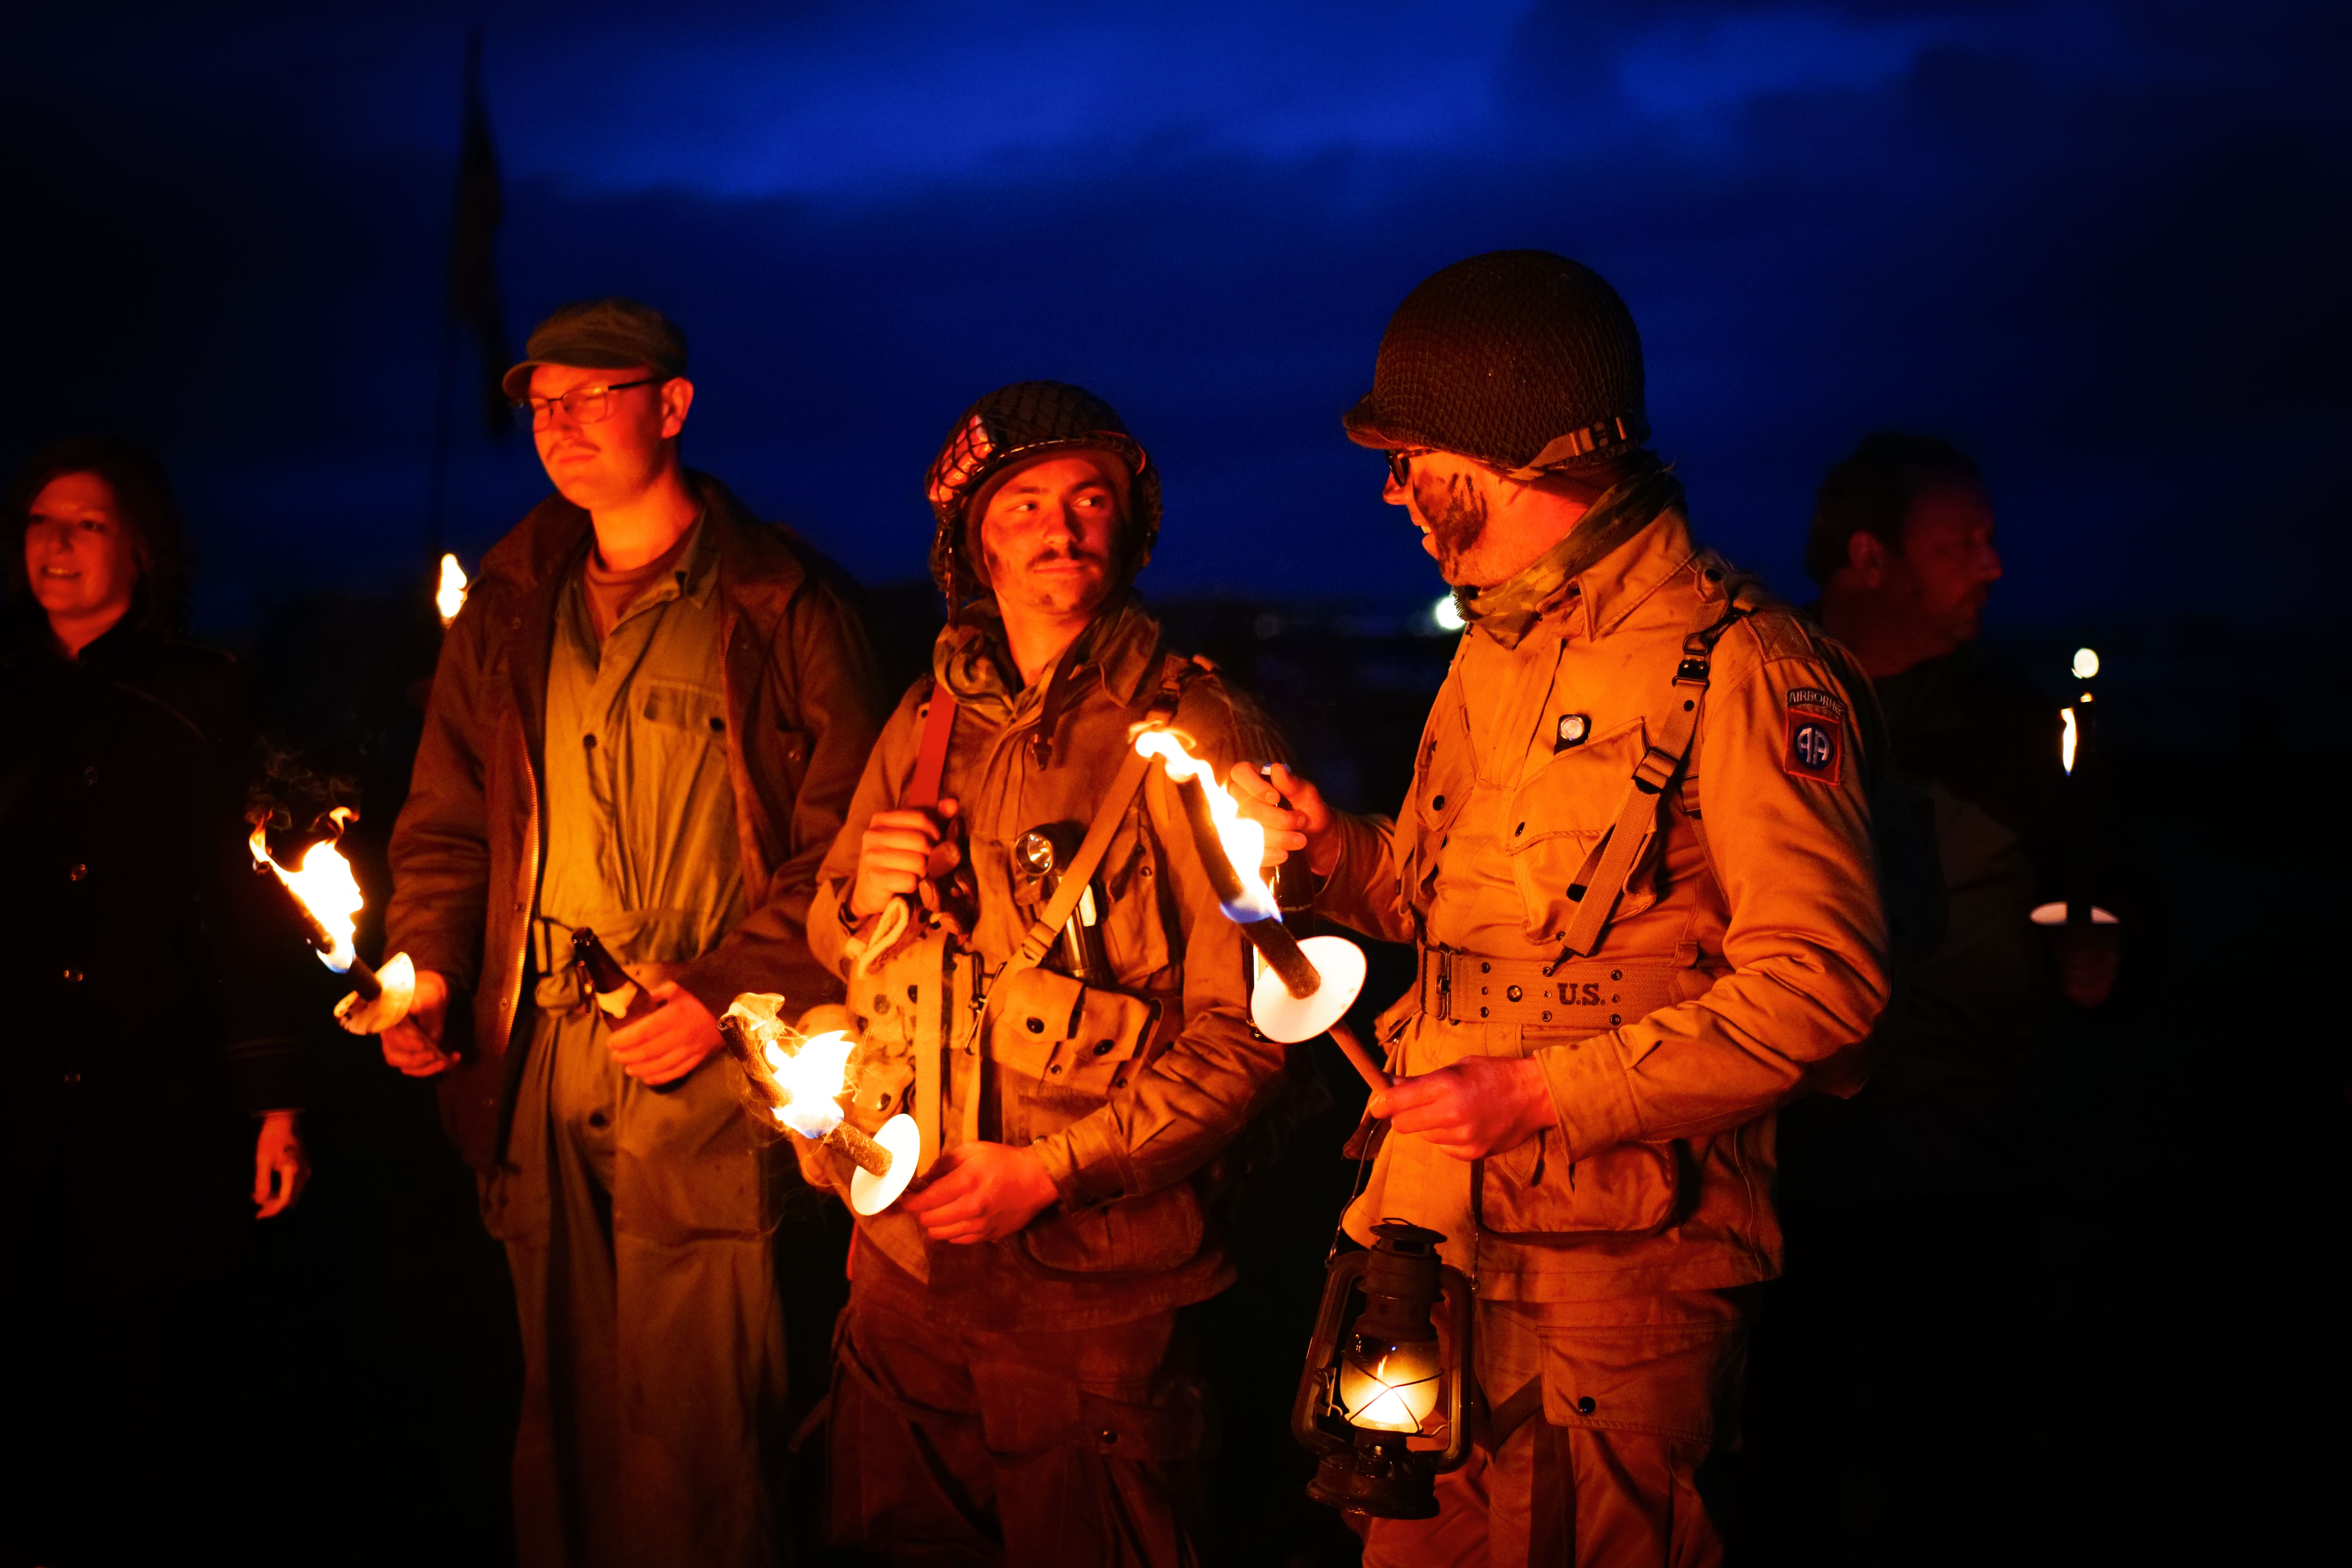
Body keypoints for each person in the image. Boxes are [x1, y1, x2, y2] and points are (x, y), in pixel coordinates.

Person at [1231, 251, 1891, 1566]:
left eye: (1415, 455)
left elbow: (1828, 987)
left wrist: (1542, 1098)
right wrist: (1333, 854)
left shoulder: (1747, 663)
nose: (1394, 488)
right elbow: (1439, 899)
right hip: (1431, 1250)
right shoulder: (1494, 649)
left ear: (1515, 454)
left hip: (1612, 1300)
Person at [376, 298, 887, 1568]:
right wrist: (432, 975)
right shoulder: (506, 608)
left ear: (672, 407)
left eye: (592, 396)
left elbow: (847, 851)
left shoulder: (783, 607)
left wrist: (721, 994)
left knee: (707, 1434)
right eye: (541, 403)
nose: (557, 426)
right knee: (561, 1421)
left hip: (712, 1071)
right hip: (539, 1069)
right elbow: (447, 824)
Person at [800, 381, 1305, 1565]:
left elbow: (1253, 1033)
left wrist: (1052, 1173)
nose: (1061, 526)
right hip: (901, 1278)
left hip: (1096, 1304)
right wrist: (863, 895)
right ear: (973, 540)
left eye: (1091, 500)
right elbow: (836, 942)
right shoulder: (924, 722)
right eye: (1024, 503)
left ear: (1131, 529)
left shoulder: (1201, 733)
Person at [1735, 432, 2137, 1566]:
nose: (1995, 565)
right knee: (1778, 1469)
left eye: (1990, 541)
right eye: (1962, 543)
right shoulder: (1761, 707)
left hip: (1961, 1168)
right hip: (1788, 1164)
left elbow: (2106, 886)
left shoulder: (2017, 732)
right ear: (1870, 557)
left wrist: (2109, 958)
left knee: (1949, 1470)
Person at [0, 436, 312, 1565]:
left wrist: (273, 1098)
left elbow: (244, 906)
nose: (57, 546)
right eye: (40, 522)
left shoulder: (201, 699)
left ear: (139, 543)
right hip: (17, 1093)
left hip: (152, 1102)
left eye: (84, 523)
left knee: (147, 1398)